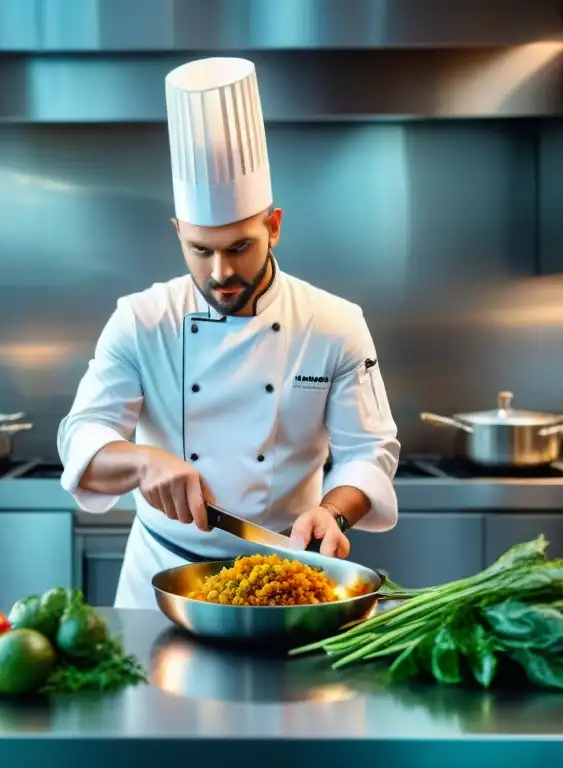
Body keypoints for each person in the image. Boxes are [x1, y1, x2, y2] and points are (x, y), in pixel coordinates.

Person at [58, 57, 400, 609]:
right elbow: (81, 437)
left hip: (284, 583)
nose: (220, 272)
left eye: (239, 246)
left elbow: (370, 450)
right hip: (160, 581)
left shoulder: (335, 323)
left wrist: (332, 511)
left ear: (274, 227)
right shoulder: (142, 320)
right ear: (178, 232)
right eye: (200, 249)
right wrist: (144, 461)